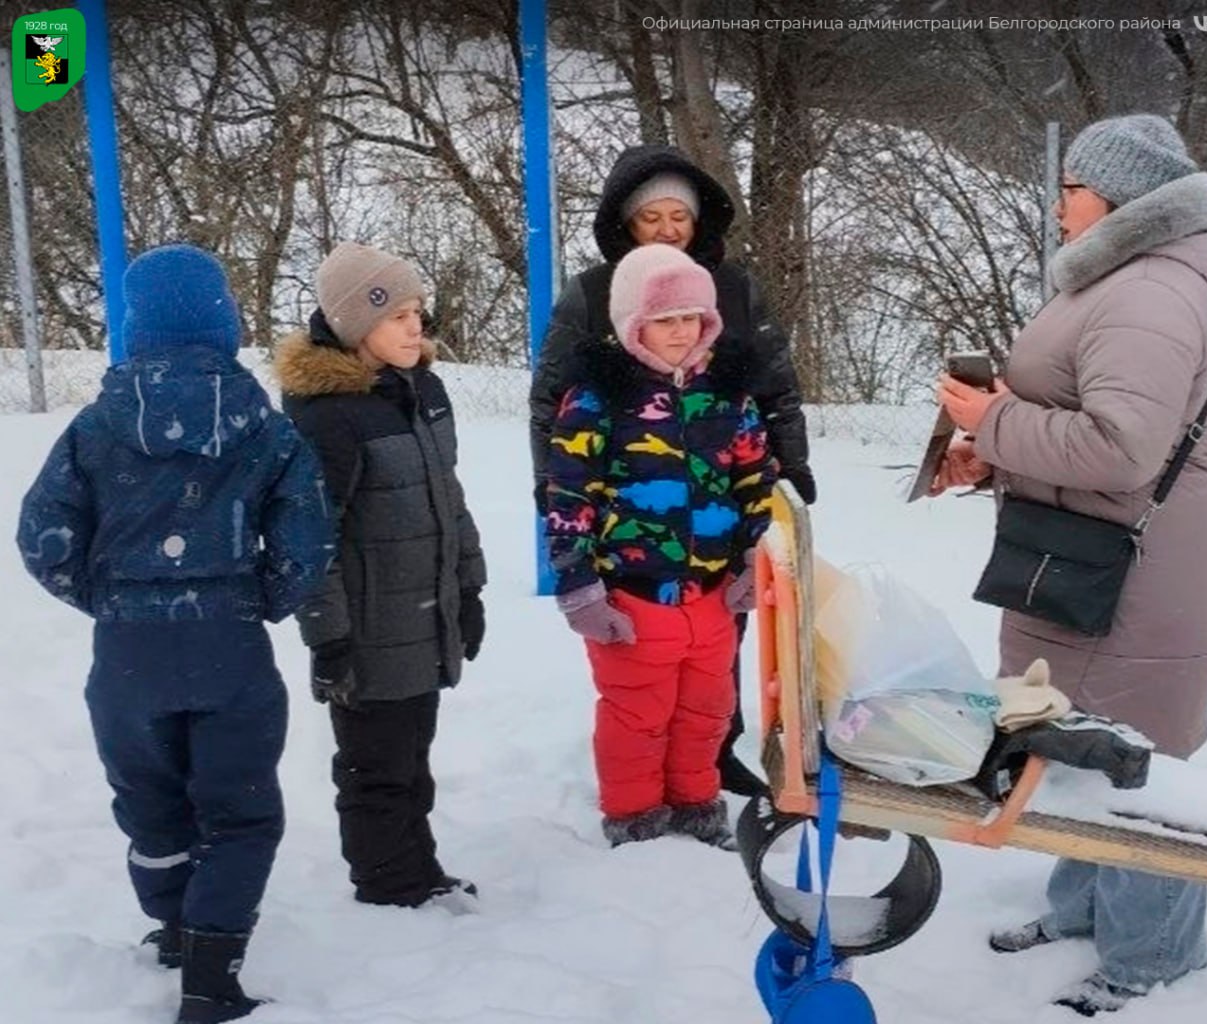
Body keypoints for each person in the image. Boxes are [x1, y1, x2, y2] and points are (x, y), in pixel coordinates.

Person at [932, 114, 1207, 1016]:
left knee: (1139, 770)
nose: (1059, 199)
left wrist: (994, 421)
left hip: (1145, 585)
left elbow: (1120, 449)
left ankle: (1152, 958)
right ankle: (1083, 909)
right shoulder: (1116, 280)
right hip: (1096, 564)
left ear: (1113, 199)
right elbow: (1080, 421)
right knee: (1078, 748)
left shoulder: (1149, 293)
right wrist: (996, 453)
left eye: (1071, 185)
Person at [17, 244, 333, 1024]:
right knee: (241, 809)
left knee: (150, 799)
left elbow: (40, 534)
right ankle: (212, 972)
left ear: (135, 333)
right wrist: (266, 595)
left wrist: (106, 597)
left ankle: (171, 927)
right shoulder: (260, 425)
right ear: (224, 323)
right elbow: (309, 534)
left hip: (128, 655)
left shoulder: (95, 428)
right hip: (229, 645)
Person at [530, 144, 812, 797]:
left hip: (719, 498)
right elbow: (551, 402)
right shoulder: (594, 293)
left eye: (677, 216)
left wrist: (789, 462)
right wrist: (555, 490)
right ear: (625, 223)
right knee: (643, 659)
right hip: (630, 514)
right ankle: (639, 781)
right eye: (650, 216)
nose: (666, 228)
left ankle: (712, 754)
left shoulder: (734, 288)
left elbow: (774, 384)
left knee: (717, 639)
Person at [275, 241, 487, 911]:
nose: (413, 327)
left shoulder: (421, 390)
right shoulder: (328, 416)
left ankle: (416, 868)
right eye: (395, 315)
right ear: (351, 325)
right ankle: (386, 888)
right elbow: (312, 538)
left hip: (424, 614)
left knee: (413, 755)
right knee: (377, 768)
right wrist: (329, 638)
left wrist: (469, 586)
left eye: (417, 311)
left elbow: (447, 496)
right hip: (368, 628)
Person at [545, 242, 778, 848]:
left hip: (712, 595)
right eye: (665, 319)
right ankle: (635, 816)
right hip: (632, 597)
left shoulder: (728, 396)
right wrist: (579, 586)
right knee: (636, 717)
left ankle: (697, 803)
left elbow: (755, 480)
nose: (681, 332)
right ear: (632, 323)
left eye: (691, 318)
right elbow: (570, 496)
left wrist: (757, 557)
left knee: (706, 712)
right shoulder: (598, 399)